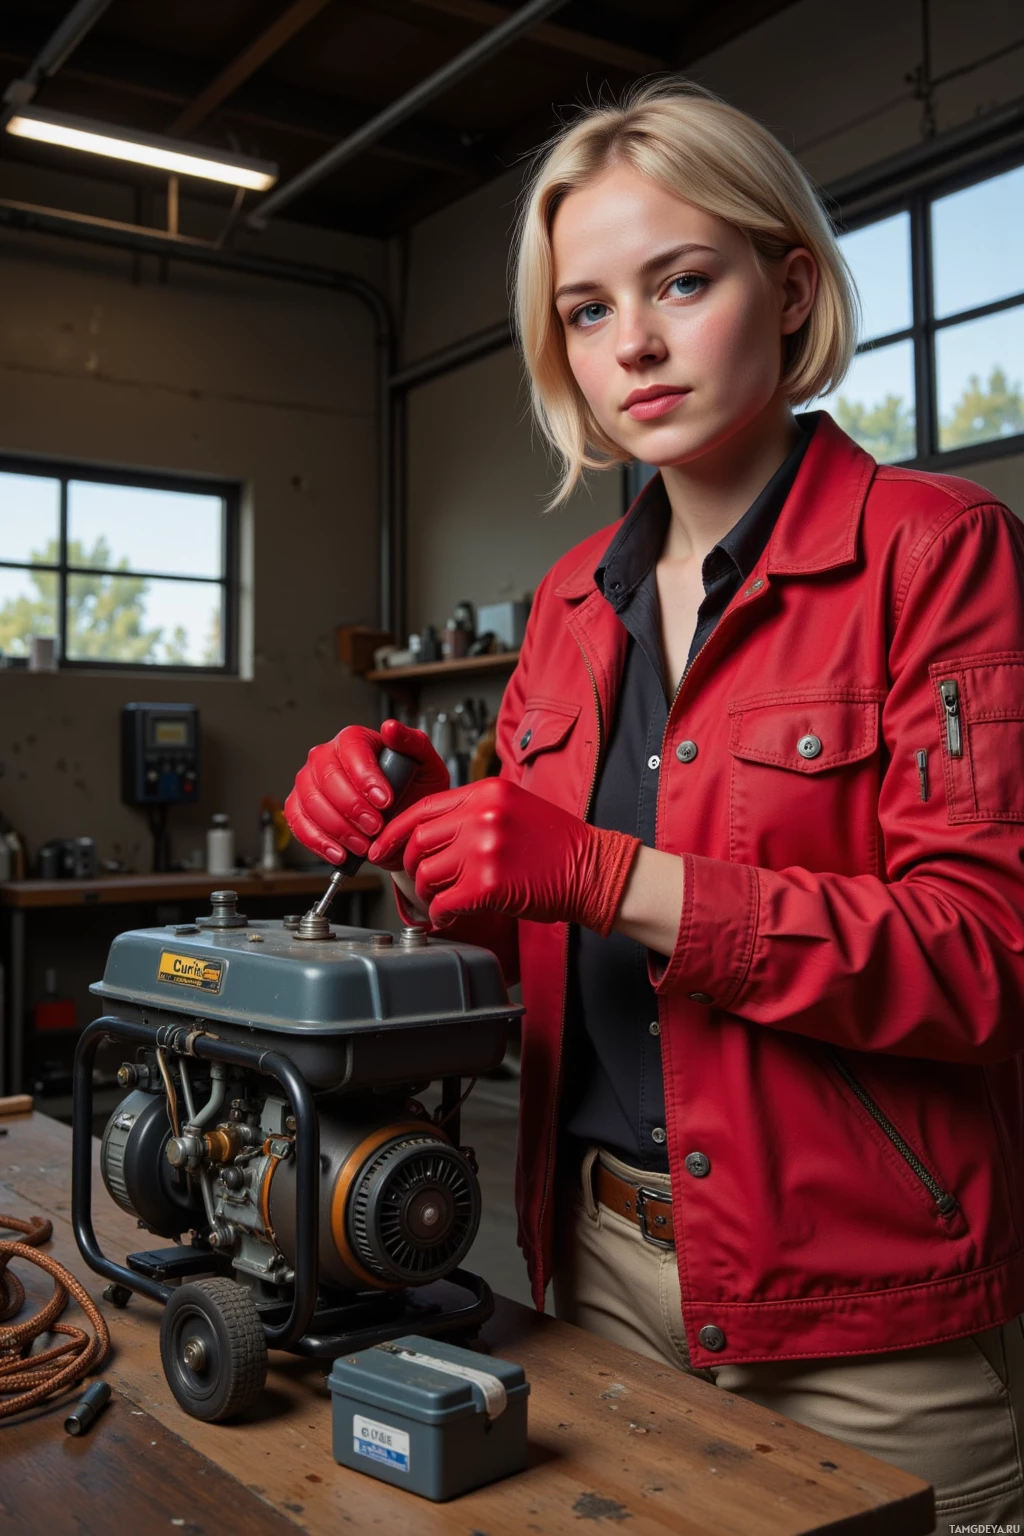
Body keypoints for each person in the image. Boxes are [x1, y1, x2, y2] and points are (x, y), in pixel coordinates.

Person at [285, 79, 1024, 1529]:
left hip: (873, 1317)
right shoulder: (571, 605)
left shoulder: (936, 555)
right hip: (590, 1274)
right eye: (585, 309)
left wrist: (609, 871)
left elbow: (985, 961)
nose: (634, 342)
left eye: (683, 281)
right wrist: (421, 835)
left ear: (789, 283)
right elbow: (523, 970)